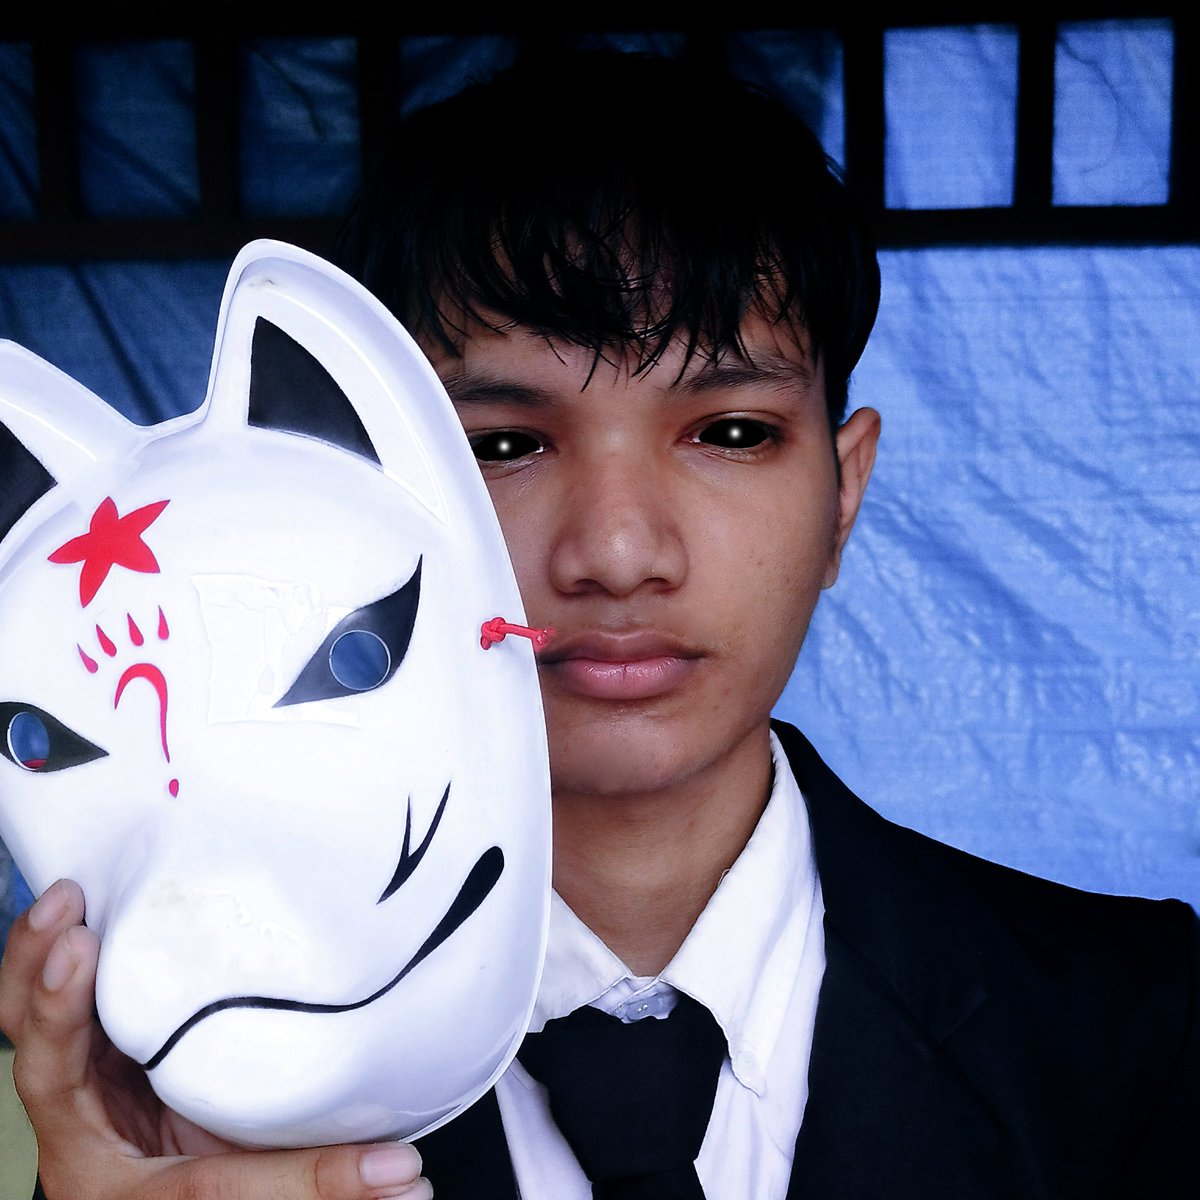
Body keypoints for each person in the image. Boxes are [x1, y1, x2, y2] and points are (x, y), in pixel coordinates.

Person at [1, 48, 1196, 1200]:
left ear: (844, 497)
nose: (618, 554)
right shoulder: (185, 1069)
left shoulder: (1137, 1024)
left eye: (731, 432)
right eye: (504, 443)